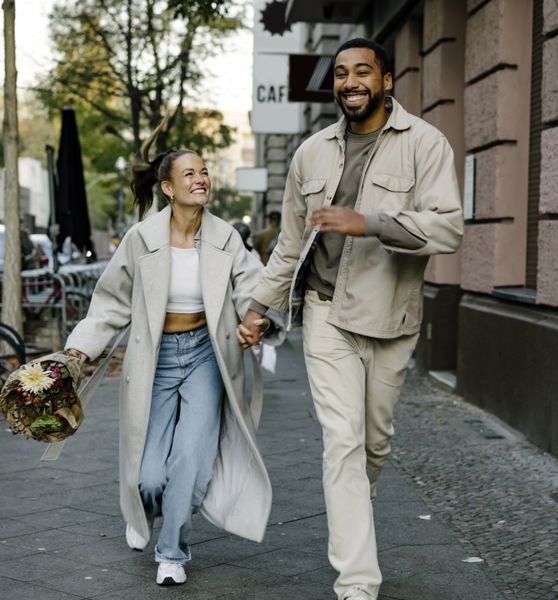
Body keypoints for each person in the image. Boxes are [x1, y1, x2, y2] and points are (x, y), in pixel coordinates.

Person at [237, 38, 463, 600]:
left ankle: (354, 511)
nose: (349, 81)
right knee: (341, 442)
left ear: (387, 80)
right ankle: (357, 582)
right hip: (325, 314)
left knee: (372, 446)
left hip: (392, 318)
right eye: (340, 73)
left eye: (363, 71)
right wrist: (257, 307)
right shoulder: (310, 153)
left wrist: (370, 222)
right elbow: (289, 246)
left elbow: (448, 231)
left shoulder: (426, 144)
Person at [64, 119, 273, 587]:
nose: (202, 179)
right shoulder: (142, 239)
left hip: (205, 355)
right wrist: (77, 352)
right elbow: (111, 303)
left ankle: (172, 551)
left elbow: (251, 285)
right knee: (148, 474)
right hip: (155, 358)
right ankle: (145, 512)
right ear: (167, 188)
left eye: (205, 172)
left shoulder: (224, 236)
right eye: (190, 174)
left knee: (191, 458)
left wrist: (253, 319)